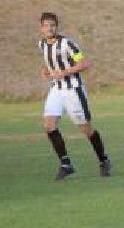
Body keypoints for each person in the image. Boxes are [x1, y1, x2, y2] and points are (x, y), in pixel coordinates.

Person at [37, 12, 111, 180]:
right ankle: (66, 164)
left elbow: (84, 63)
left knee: (86, 130)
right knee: (49, 125)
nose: (49, 28)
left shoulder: (67, 44)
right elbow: (50, 63)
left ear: (56, 26)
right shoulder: (42, 44)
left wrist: (63, 72)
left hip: (73, 90)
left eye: (52, 25)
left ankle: (104, 160)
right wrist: (46, 71)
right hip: (57, 89)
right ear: (41, 28)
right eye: (46, 25)